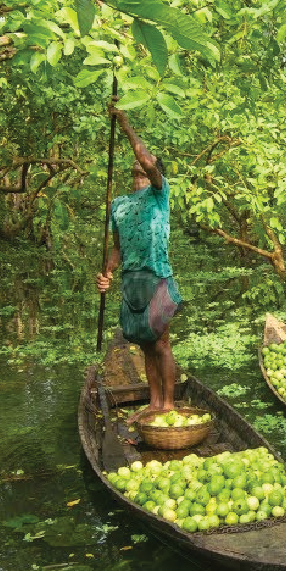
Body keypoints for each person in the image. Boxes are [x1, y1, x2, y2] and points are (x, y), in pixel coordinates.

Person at [96, 101, 182, 413]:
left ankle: (168, 405)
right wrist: (106, 273)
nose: (140, 169)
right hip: (132, 280)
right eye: (136, 169)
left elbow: (146, 160)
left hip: (156, 274)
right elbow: (117, 249)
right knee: (145, 344)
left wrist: (123, 121)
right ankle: (154, 403)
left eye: (145, 167)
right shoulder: (119, 204)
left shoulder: (159, 194)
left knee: (160, 342)